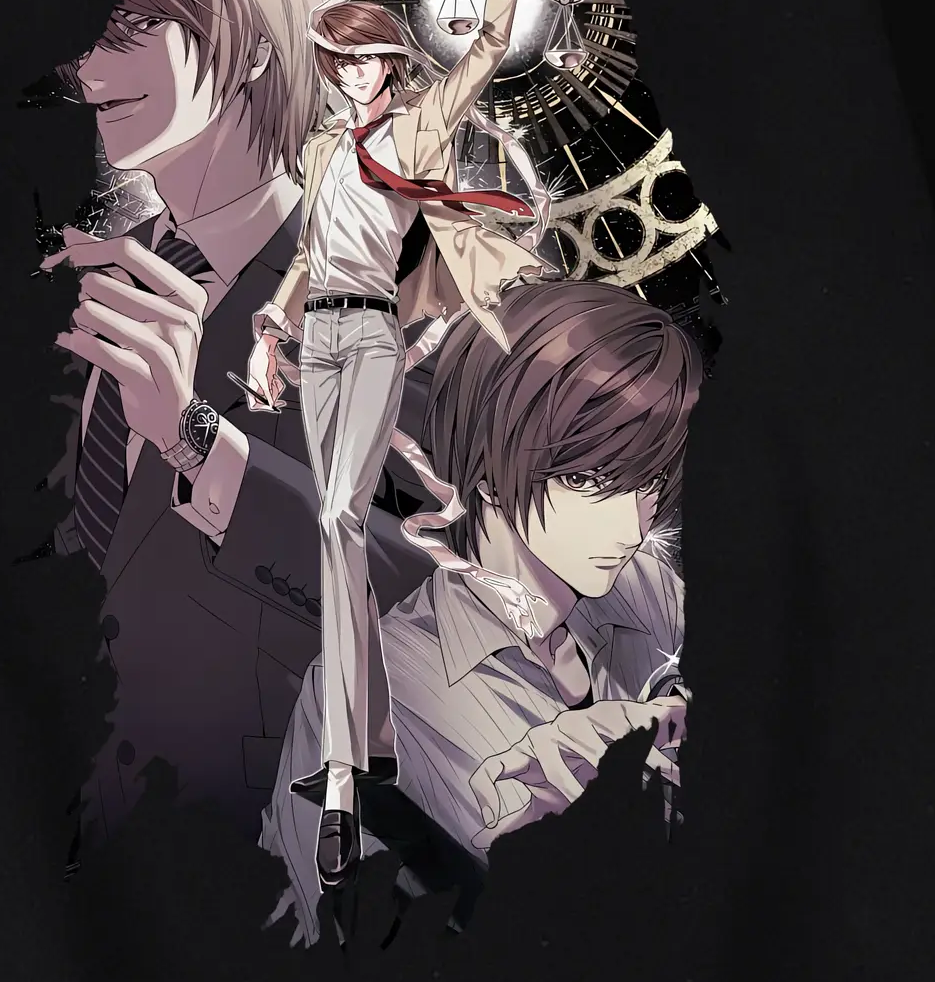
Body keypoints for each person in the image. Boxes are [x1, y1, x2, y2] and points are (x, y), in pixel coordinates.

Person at [49, 0, 432, 848]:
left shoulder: (374, 279)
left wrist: (195, 437)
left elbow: (425, 588)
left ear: (254, 49)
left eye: (132, 26)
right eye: (88, 27)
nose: (88, 66)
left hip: (250, 839)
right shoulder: (107, 268)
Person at [243, 0, 551, 899]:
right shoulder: (322, 149)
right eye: (339, 63)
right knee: (333, 535)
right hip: (317, 346)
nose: (352, 76)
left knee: (340, 517)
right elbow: (308, 257)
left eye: (366, 59)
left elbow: (481, 59)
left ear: (389, 62)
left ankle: (341, 778)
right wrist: (268, 331)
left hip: (375, 337)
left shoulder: (415, 131)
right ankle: (367, 742)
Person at [261, 278, 703, 945]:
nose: (632, 524)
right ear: (489, 467)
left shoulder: (645, 587)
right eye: (587, 480)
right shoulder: (369, 693)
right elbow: (330, 942)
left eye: (650, 481)